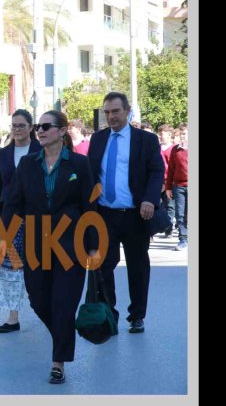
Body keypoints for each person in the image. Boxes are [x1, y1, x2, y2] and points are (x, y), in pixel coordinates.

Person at [0, 110, 97, 384]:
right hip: (36, 244)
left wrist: (93, 245)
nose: (39, 131)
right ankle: (63, 335)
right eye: (38, 127)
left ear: (62, 131)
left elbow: (90, 206)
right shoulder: (28, 164)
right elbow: (13, 203)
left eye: (46, 126)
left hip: (71, 245)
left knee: (64, 304)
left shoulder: (79, 164)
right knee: (39, 301)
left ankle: (58, 362)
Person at [87, 92, 164, 334]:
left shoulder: (145, 140)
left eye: (115, 111)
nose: (111, 116)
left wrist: (150, 199)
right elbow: (91, 173)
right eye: (107, 112)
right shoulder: (98, 139)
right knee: (103, 266)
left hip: (135, 215)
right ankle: (109, 314)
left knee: (137, 267)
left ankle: (137, 315)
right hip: (104, 214)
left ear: (127, 111)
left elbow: (156, 171)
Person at [0, 109, 41, 333]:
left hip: (37, 215)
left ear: (31, 127)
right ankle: (12, 318)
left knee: (38, 265)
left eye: (21, 125)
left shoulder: (41, 149)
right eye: (14, 125)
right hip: (9, 216)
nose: (17, 129)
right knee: (10, 268)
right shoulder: (2, 154)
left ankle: (43, 307)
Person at [166, 124, 188, 251]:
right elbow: (171, 170)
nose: (182, 136)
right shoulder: (176, 150)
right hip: (179, 186)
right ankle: (183, 239)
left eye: (184, 134)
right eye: (181, 134)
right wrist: (168, 187)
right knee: (180, 214)